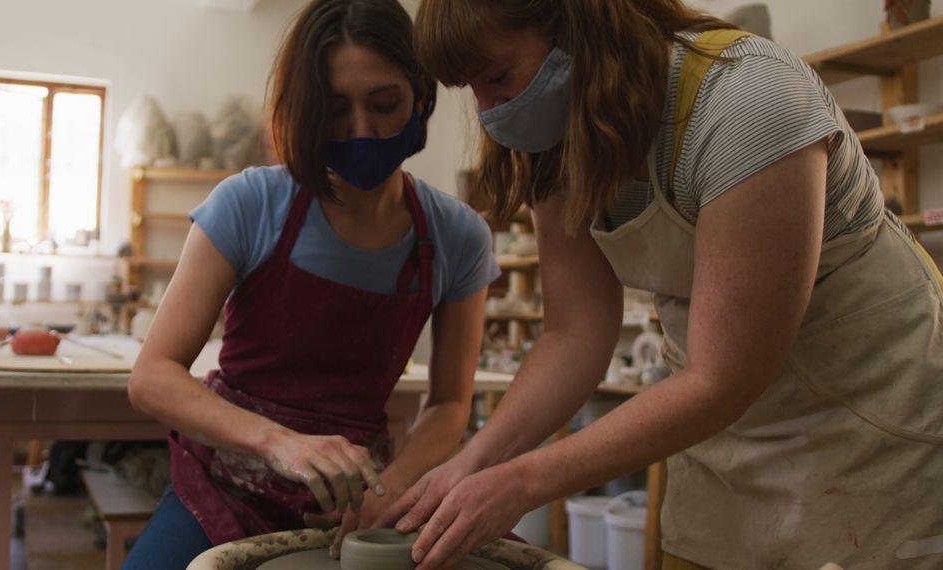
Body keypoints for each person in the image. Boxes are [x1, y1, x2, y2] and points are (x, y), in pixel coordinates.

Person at [377, 1, 943, 569]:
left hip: (870, 416)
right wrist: (470, 463)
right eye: (472, 89)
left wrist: (525, 480)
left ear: (581, 28)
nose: (488, 110)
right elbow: (574, 335)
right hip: (722, 432)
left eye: (497, 78)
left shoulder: (749, 99)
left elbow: (723, 378)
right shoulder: (563, 140)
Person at [123, 0, 500, 567]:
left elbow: (449, 405)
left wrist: (392, 487)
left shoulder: (456, 236)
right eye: (335, 109)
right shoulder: (249, 203)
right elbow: (152, 377)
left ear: (422, 93)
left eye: (384, 103)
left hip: (355, 499)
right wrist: (278, 441)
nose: (363, 130)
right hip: (225, 485)